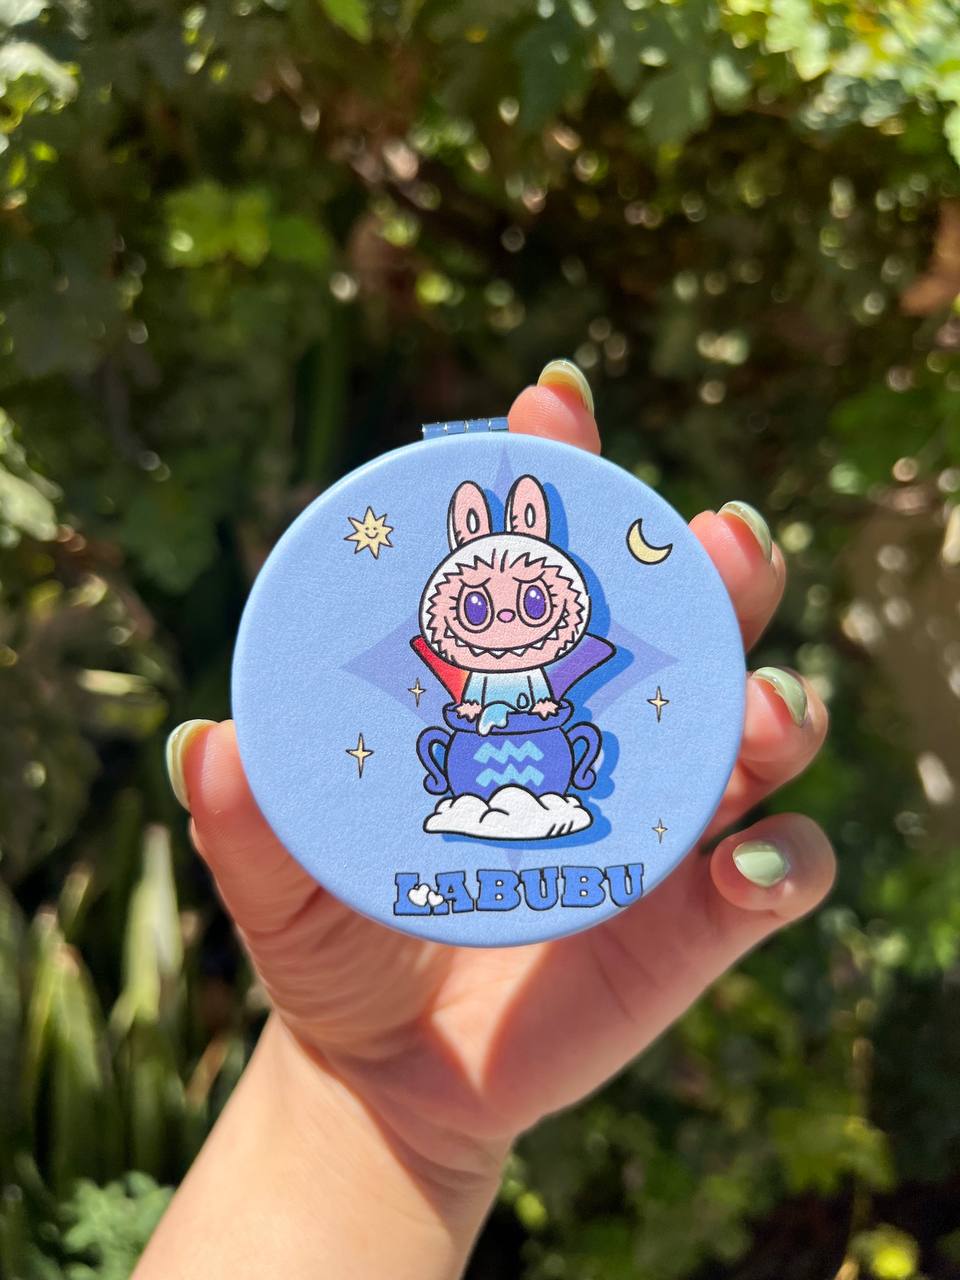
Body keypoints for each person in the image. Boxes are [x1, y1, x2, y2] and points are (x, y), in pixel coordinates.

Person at [137, 363, 833, 1279]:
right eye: (477, 606)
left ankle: (528, 805)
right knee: (481, 772)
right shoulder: (428, 669)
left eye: (533, 603)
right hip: (472, 782)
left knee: (544, 768)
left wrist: (396, 1110)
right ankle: (496, 804)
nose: (505, 622)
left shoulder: (573, 665)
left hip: (538, 775)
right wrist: (378, 1099)